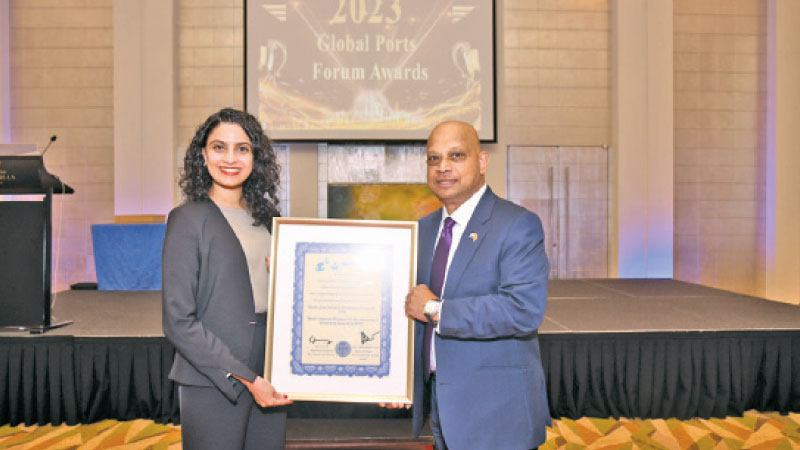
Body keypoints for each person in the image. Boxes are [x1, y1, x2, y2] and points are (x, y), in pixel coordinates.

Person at [405, 121, 551, 450]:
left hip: (498, 415)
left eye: (456, 155)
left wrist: (434, 309)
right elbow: (410, 312)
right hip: (441, 409)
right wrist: (398, 380)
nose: (443, 167)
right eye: (433, 158)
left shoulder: (517, 224)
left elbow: (522, 310)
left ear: (482, 161)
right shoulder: (423, 230)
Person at [162, 108, 291, 450]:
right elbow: (178, 321)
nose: (231, 158)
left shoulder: (270, 219)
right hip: (214, 377)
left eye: (242, 148)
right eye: (219, 147)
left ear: (255, 157)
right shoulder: (187, 219)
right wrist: (245, 377)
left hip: (270, 371)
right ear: (203, 155)